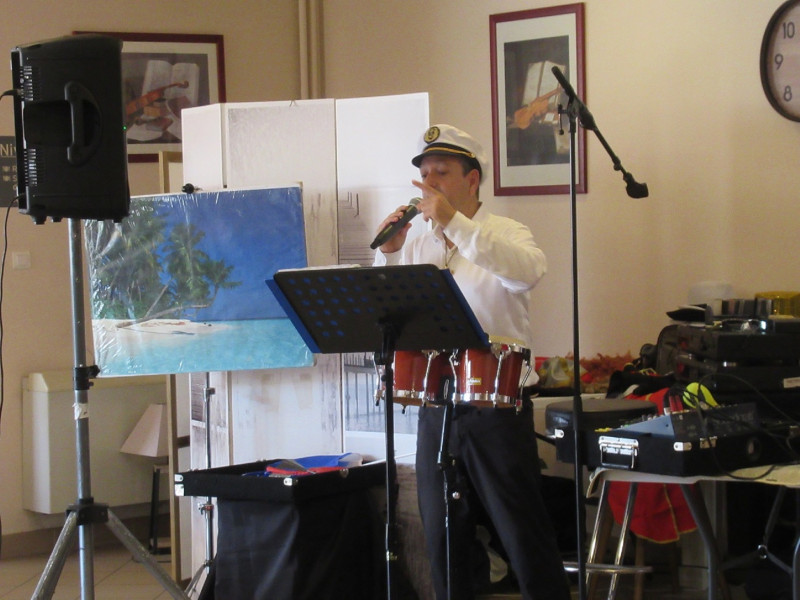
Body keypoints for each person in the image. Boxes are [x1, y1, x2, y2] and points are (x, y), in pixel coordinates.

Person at [373, 124, 571, 600]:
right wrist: (391, 254)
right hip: (436, 403)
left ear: (473, 179)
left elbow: (527, 275)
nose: (429, 182)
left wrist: (456, 225)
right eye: (424, 174)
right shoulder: (418, 241)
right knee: (443, 534)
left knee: (520, 530)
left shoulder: (505, 232)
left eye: (441, 172)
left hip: (495, 406)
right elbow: (390, 311)